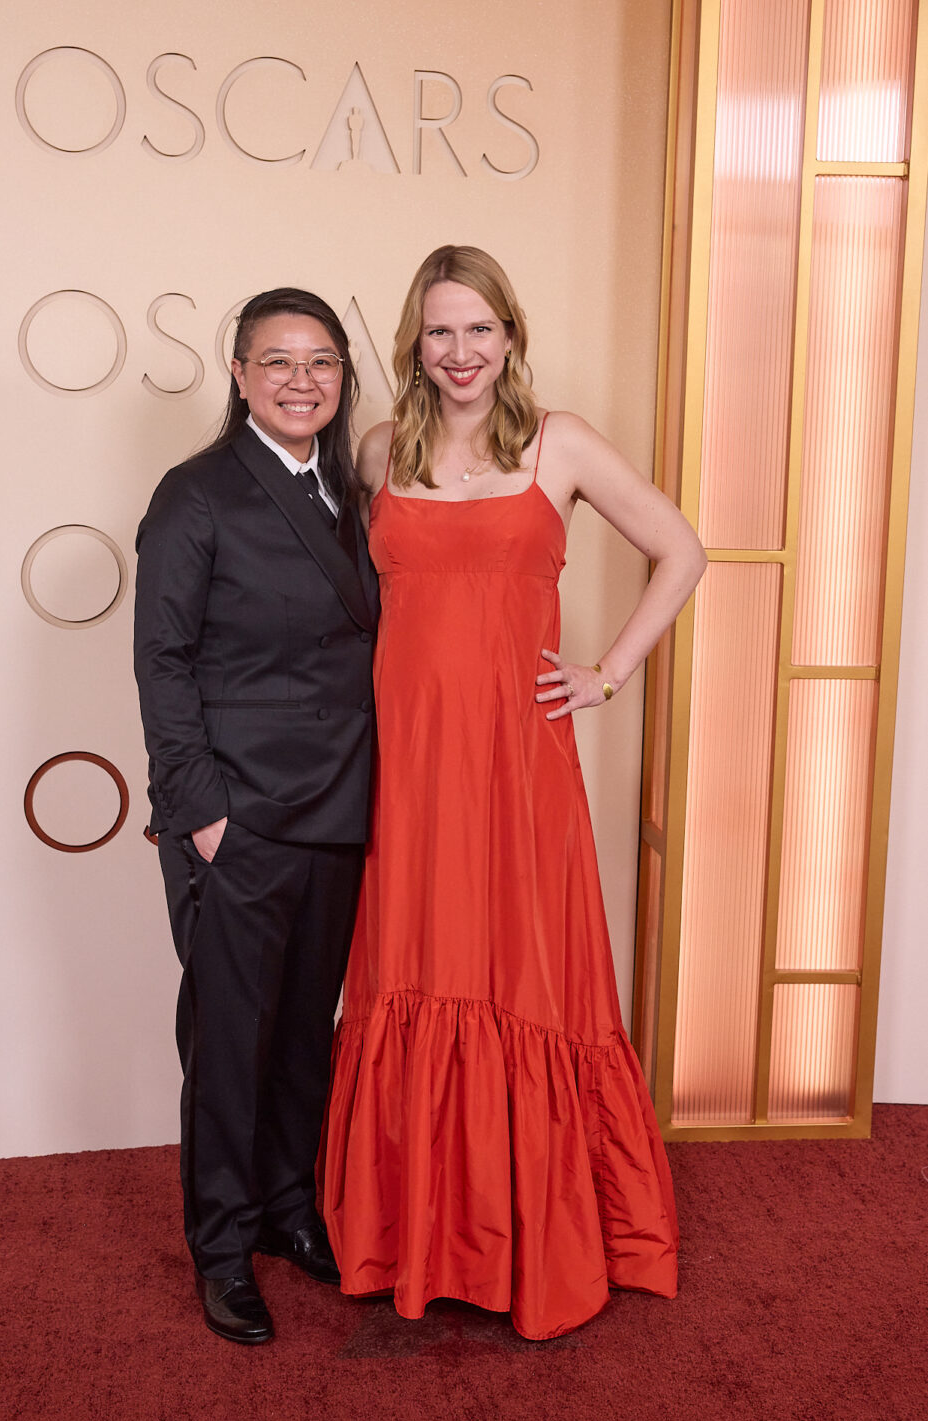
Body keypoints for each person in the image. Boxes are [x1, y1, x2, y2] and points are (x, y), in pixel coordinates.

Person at [320, 246, 706, 1342]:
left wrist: (607, 673)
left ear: (509, 337)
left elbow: (679, 549)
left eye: (478, 330)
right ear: (414, 342)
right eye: (439, 332)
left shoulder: (560, 441)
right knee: (412, 966)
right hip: (404, 763)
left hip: (515, 766)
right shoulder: (379, 450)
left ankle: (534, 1233)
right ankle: (409, 1230)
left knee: (525, 972)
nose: (459, 353)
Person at [134, 288, 379, 1345]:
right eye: (276, 362)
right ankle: (222, 1249)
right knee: (229, 1044)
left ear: (341, 378)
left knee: (301, 1041)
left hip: (341, 804)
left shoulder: (355, 492)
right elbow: (162, 660)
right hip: (237, 814)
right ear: (236, 376)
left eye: (320, 362)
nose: (300, 381)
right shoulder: (195, 494)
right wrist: (200, 814)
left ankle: (290, 1212)